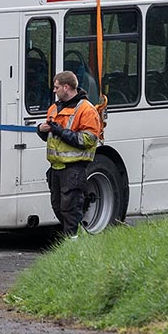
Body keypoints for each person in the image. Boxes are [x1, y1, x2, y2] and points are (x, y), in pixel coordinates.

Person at [37, 70, 102, 239]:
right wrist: (41, 131)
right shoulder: (54, 108)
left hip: (74, 168)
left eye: (56, 87)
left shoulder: (87, 110)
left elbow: (88, 140)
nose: (54, 90)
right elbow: (51, 137)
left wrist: (61, 132)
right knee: (59, 208)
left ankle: (74, 244)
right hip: (56, 168)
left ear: (66, 87)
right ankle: (74, 241)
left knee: (71, 210)